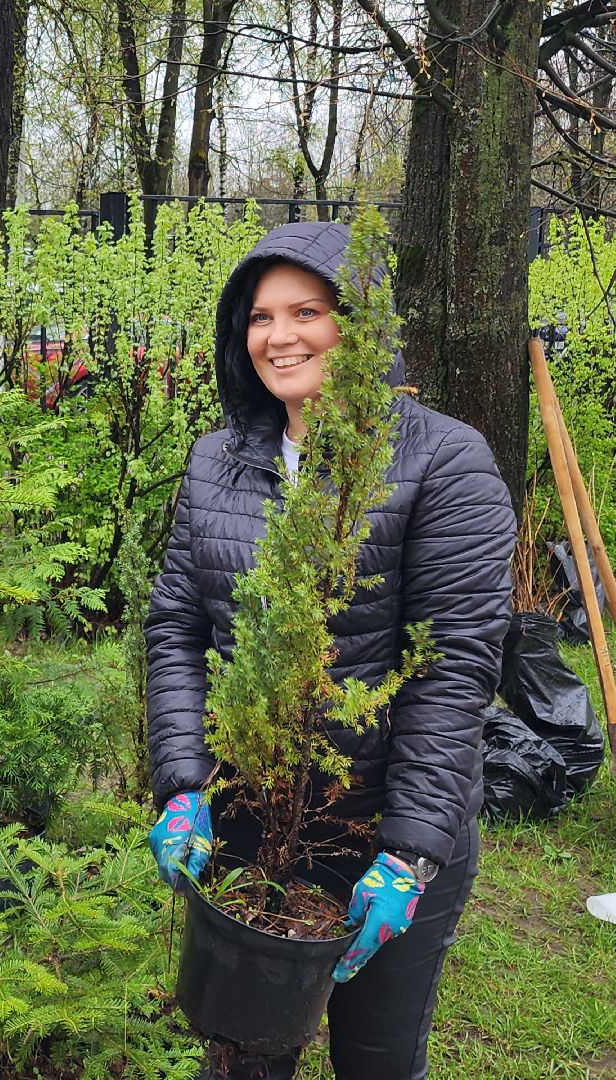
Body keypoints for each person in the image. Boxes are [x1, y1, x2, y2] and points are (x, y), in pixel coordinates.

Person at [143, 220, 516, 1080]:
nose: (280, 337)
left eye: (306, 311)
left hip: (385, 830)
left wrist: (410, 850)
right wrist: (184, 785)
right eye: (260, 316)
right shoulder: (217, 464)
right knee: (240, 1054)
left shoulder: (445, 462)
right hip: (250, 824)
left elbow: (451, 670)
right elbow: (176, 630)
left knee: (375, 1061)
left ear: (360, 325)